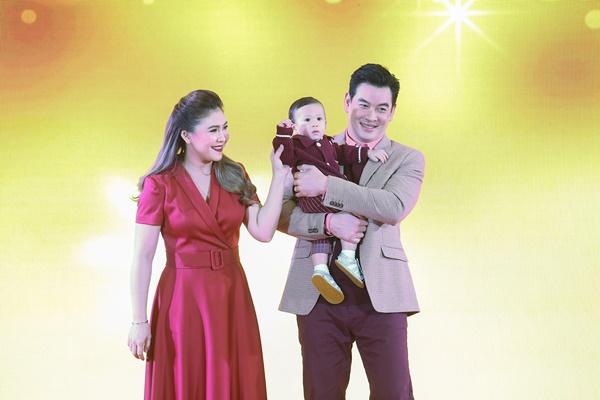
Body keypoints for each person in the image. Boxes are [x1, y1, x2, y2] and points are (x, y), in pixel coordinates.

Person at [127, 89, 288, 400]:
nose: (222, 137)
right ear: (186, 135)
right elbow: (142, 257)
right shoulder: (159, 184)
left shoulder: (235, 173)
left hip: (231, 295)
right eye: (213, 130)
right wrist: (139, 321)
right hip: (183, 299)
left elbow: (263, 231)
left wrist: (279, 176)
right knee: (188, 381)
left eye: (224, 127)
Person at [277, 64, 425, 399]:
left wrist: (326, 186)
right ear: (347, 101)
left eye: (382, 108)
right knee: (321, 393)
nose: (371, 116)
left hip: (381, 295)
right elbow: (282, 215)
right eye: (363, 105)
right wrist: (328, 224)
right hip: (318, 295)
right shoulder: (309, 148)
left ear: (393, 111)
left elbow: (393, 207)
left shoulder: (407, 158)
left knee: (393, 393)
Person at [272, 97, 388, 305]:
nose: (314, 124)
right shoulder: (296, 144)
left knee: (321, 235)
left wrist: (366, 153)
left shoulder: (330, 143)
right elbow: (285, 157)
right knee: (353, 208)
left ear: (326, 122)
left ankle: (320, 270)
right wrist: (283, 133)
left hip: (317, 201)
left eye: (319, 119)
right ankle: (347, 256)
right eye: (307, 120)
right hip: (314, 197)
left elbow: (344, 153)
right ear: (295, 126)